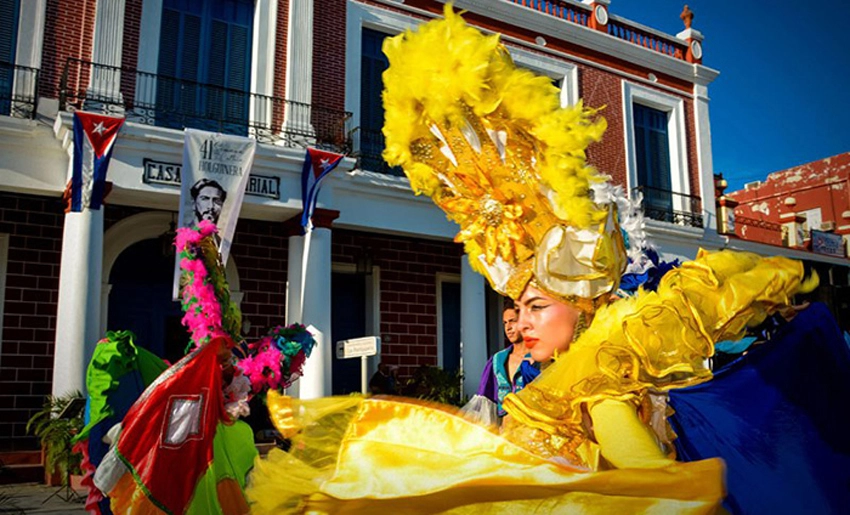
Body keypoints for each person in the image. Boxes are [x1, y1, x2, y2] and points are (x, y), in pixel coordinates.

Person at [245, 8, 826, 513]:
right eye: (518, 308)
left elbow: (641, 468)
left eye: (536, 305)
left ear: (584, 304)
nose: (519, 321)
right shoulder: (540, 376)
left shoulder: (601, 375)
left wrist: (678, 496)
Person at [464, 302, 538, 425]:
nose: (508, 327)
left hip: (535, 435)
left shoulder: (541, 359)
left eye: (512, 321)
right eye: (505, 323)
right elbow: (484, 404)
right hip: (506, 435)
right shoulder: (497, 360)